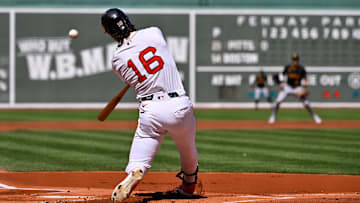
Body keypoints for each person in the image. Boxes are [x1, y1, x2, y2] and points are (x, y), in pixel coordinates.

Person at [101, 8, 199, 202]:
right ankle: (189, 185)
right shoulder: (154, 33)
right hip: (179, 105)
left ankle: (135, 171)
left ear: (110, 33)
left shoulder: (117, 61)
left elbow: (135, 75)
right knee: (187, 148)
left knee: (142, 150)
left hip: (151, 110)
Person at [268, 53, 322, 124]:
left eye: (296, 60)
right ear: (292, 60)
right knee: (278, 101)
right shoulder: (288, 67)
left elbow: (305, 79)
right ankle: (273, 116)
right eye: (294, 60)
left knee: (306, 103)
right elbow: (281, 75)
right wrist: (281, 82)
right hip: (288, 87)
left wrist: (304, 88)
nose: (295, 61)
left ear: (298, 60)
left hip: (297, 87)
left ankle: (315, 116)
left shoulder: (301, 68)